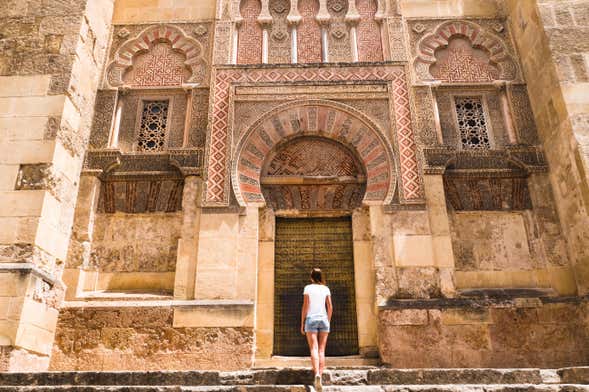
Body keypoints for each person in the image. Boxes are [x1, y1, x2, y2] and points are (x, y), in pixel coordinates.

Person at [300, 268, 333, 392]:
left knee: (313, 348)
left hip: (311, 319)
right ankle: (320, 373)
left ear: (311, 277)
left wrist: (302, 322)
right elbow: (330, 307)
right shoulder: (326, 289)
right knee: (321, 350)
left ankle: (317, 375)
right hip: (324, 319)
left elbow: (305, 306)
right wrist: (328, 321)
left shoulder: (308, 288)